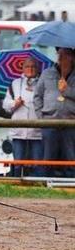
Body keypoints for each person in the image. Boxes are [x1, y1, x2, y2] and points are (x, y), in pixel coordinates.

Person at [34, 48, 75, 178]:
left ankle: (71, 182)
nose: (61, 58)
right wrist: (41, 118)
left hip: (71, 122)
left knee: (70, 155)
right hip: (49, 121)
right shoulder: (47, 73)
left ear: (72, 57)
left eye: (65, 55)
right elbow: (37, 96)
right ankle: (46, 181)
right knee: (48, 155)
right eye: (59, 55)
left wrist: (67, 90)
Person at [2, 57, 43, 177]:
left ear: (37, 69)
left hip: (37, 132)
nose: (30, 69)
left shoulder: (42, 83)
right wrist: (15, 103)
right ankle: (16, 185)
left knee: (37, 163)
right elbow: (5, 105)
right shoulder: (15, 84)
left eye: (33, 66)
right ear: (23, 68)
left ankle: (37, 186)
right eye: (27, 66)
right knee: (18, 162)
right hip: (18, 131)